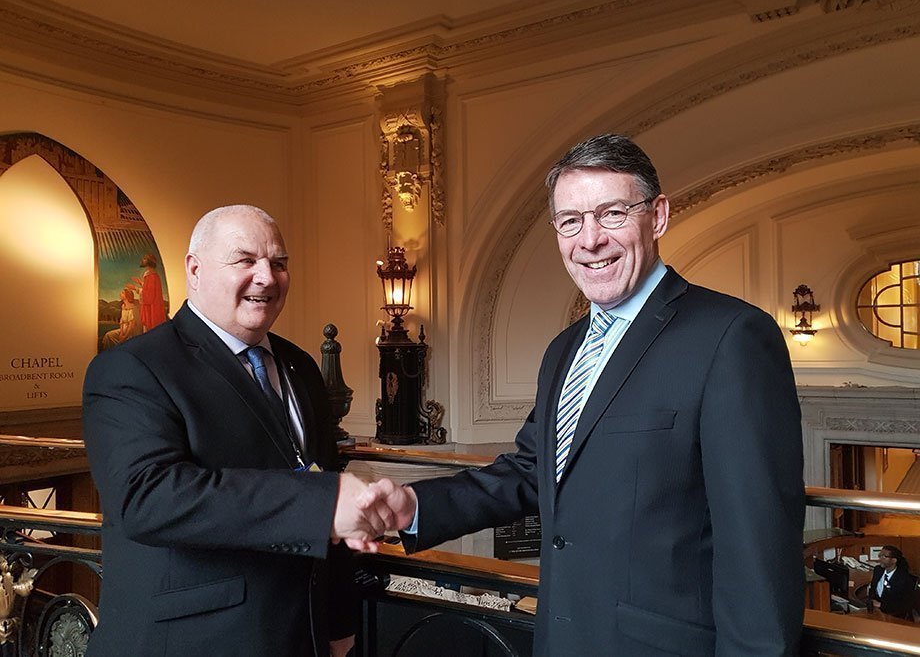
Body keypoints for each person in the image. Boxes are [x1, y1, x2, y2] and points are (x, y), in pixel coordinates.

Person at [364, 134, 806, 656]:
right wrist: (413, 506)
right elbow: (532, 470)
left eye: (612, 214)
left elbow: (759, 550)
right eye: (570, 221)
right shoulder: (564, 349)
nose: (589, 240)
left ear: (658, 215)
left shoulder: (731, 336)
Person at [83, 205, 398, 657]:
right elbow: (147, 498)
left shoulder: (301, 366)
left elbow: (319, 474)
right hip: (191, 643)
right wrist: (322, 502)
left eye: (279, 263)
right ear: (195, 270)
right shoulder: (130, 367)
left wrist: (338, 620)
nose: (267, 277)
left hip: (301, 636)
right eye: (245, 260)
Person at [869, 545, 916, 620]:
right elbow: (873, 589)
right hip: (876, 611)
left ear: (894, 560)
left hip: (895, 615)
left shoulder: (904, 579)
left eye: (884, 556)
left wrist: (881, 605)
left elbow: (904, 604)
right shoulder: (878, 570)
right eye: (880, 555)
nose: (880, 559)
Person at [134, 252, 167, 331]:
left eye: (145, 259)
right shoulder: (152, 275)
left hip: (151, 310)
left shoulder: (151, 276)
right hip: (153, 307)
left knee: (150, 330)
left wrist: (136, 288)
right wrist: (141, 283)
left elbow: (148, 296)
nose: (143, 260)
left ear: (149, 261)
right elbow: (149, 289)